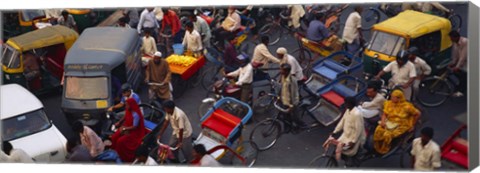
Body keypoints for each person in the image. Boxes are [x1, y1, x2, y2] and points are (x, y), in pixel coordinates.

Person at [373, 89, 421, 155]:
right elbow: (385, 114)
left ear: (399, 98)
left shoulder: (407, 107)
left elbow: (417, 114)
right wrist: (383, 121)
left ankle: (384, 149)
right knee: (378, 130)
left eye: (393, 97)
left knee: (388, 135)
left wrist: (413, 125)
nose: (391, 98)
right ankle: (377, 147)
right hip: (389, 122)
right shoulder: (389, 103)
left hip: (401, 125)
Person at [323, 97, 365, 161]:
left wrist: (353, 142)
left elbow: (358, 129)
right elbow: (342, 122)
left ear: (350, 104)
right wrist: (335, 131)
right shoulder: (348, 110)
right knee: (338, 145)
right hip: (346, 135)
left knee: (348, 153)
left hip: (353, 137)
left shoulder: (357, 114)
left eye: (346, 103)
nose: (345, 104)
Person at [110, 98, 146, 162]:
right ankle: (114, 150)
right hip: (126, 126)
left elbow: (134, 127)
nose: (126, 106)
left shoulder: (136, 114)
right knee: (114, 137)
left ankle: (121, 156)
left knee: (120, 141)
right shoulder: (128, 109)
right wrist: (119, 122)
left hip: (134, 131)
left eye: (127, 105)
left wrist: (124, 128)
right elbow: (125, 116)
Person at [279, 63, 306, 128]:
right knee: (285, 115)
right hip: (284, 100)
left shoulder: (292, 81)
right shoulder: (283, 76)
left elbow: (294, 93)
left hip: (291, 102)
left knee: (296, 116)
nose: (280, 71)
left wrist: (292, 105)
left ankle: (302, 125)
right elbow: (282, 87)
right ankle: (288, 126)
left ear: (287, 71)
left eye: (282, 70)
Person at [448, 30, 467, 97]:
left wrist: (457, 67)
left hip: (467, 62)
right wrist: (453, 63)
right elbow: (455, 54)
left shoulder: (465, 42)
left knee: (463, 76)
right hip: (463, 62)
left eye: (451, 38)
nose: (450, 39)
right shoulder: (455, 43)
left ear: (456, 37)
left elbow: (463, 57)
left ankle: (461, 91)